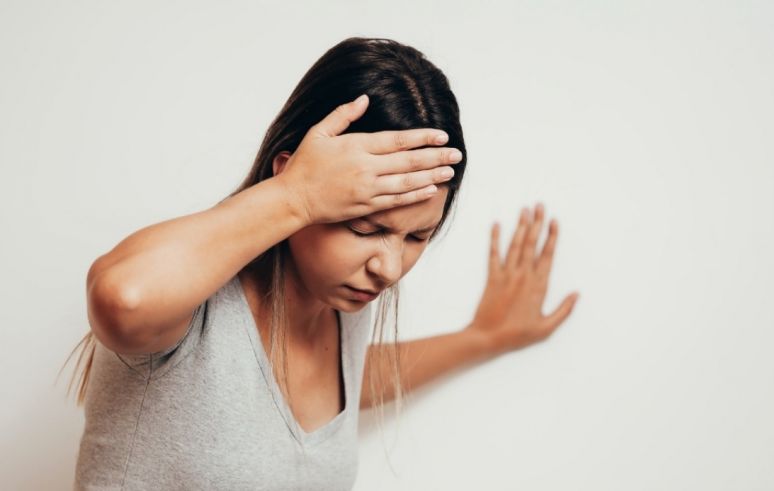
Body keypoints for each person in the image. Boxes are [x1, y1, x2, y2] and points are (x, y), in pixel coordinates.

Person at [63, 37, 579, 490]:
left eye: (418, 235)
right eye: (366, 228)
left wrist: (485, 335)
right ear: (296, 176)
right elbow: (121, 299)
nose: (390, 267)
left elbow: (349, 381)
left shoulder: (340, 302)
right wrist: (293, 197)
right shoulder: (188, 300)